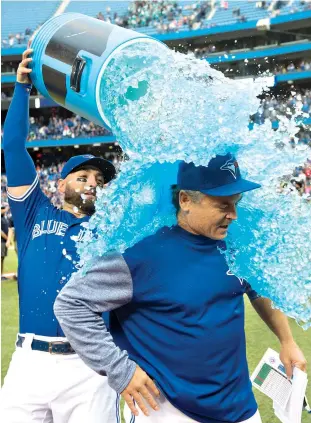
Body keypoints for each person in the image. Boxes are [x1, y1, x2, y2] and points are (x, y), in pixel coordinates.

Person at [54, 154, 307, 423]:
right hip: (168, 410)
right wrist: (120, 370)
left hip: (241, 409)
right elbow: (71, 304)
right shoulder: (139, 255)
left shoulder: (235, 245)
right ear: (185, 200)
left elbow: (256, 287)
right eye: (222, 204)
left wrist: (287, 340)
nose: (233, 215)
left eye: (236, 203)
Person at [1, 48, 120, 423]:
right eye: (83, 177)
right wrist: (21, 89)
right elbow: (12, 146)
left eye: (99, 181)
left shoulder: (110, 229)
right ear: (59, 180)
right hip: (30, 363)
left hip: (91, 366)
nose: (91, 185)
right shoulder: (33, 210)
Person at [1, 204, 13, 280]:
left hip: (4, 241)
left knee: (2, 258)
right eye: (2, 209)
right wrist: (7, 239)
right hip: (1, 241)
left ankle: (1, 275)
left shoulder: (4, 218)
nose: (4, 210)